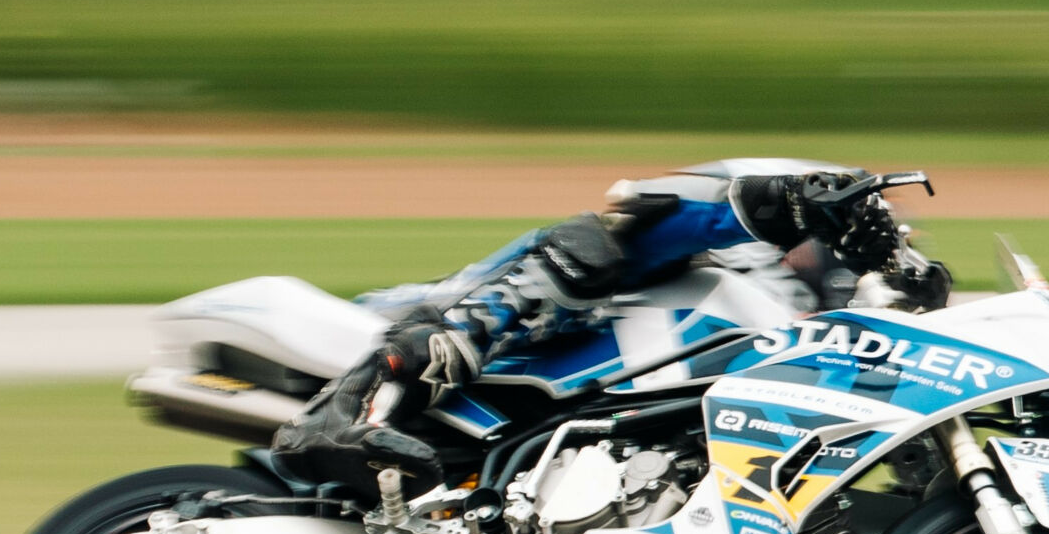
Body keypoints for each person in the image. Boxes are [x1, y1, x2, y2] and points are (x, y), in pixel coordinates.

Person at [274, 163, 952, 493]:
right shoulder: (731, 262)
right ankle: (360, 398)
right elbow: (646, 210)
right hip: (413, 322)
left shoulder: (798, 350)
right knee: (594, 245)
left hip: (536, 438)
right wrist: (793, 204)